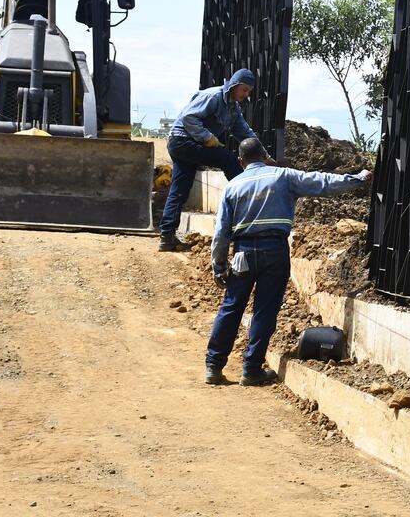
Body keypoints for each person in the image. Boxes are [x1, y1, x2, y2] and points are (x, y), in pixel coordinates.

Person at [204, 137, 371, 386]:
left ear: (240, 161)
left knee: (231, 307)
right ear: (265, 154)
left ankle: (214, 367)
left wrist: (218, 267)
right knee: (265, 310)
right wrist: (358, 178)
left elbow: (220, 234)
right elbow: (322, 182)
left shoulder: (233, 186)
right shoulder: (283, 176)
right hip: (274, 250)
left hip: (243, 253)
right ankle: (251, 370)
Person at [159, 68, 260, 252]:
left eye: (249, 92)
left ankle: (167, 236)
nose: (246, 95)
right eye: (244, 90)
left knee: (180, 189)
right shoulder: (213, 96)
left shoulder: (233, 108)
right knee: (228, 159)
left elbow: (244, 132)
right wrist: (207, 137)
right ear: (235, 85)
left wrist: (263, 155)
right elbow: (188, 117)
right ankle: (248, 195)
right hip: (182, 141)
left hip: (186, 145)